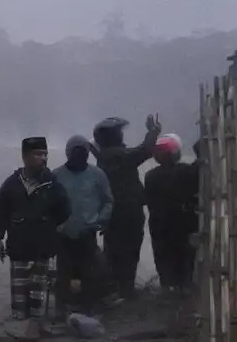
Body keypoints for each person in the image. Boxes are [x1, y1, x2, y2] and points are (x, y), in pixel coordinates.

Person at [0, 137, 72, 321]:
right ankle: (19, 326)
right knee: (19, 302)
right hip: (18, 249)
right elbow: (1, 213)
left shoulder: (53, 185)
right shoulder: (11, 184)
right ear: (25, 156)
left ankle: (36, 328)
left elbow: (65, 211)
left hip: (43, 250)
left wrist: (49, 228)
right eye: (38, 154)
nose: (43, 158)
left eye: (45, 154)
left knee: (38, 300)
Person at [93, 114, 162, 298]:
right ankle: (124, 290)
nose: (122, 134)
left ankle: (117, 289)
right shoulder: (115, 156)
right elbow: (145, 151)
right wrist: (153, 132)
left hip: (116, 213)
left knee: (115, 251)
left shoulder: (106, 156)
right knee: (128, 252)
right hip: (126, 212)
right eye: (119, 132)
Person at [52, 135, 114, 316]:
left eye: (84, 153)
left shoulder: (97, 175)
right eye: (76, 152)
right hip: (63, 233)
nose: (81, 156)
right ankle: (61, 309)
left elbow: (108, 200)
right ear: (68, 153)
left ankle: (88, 308)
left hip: (88, 231)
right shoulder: (56, 176)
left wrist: (101, 220)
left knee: (90, 271)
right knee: (63, 271)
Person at [144, 133, 200, 293]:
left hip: (159, 225)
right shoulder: (187, 171)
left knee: (164, 259)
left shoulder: (150, 176)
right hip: (183, 223)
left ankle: (168, 290)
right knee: (185, 259)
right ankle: (185, 289)